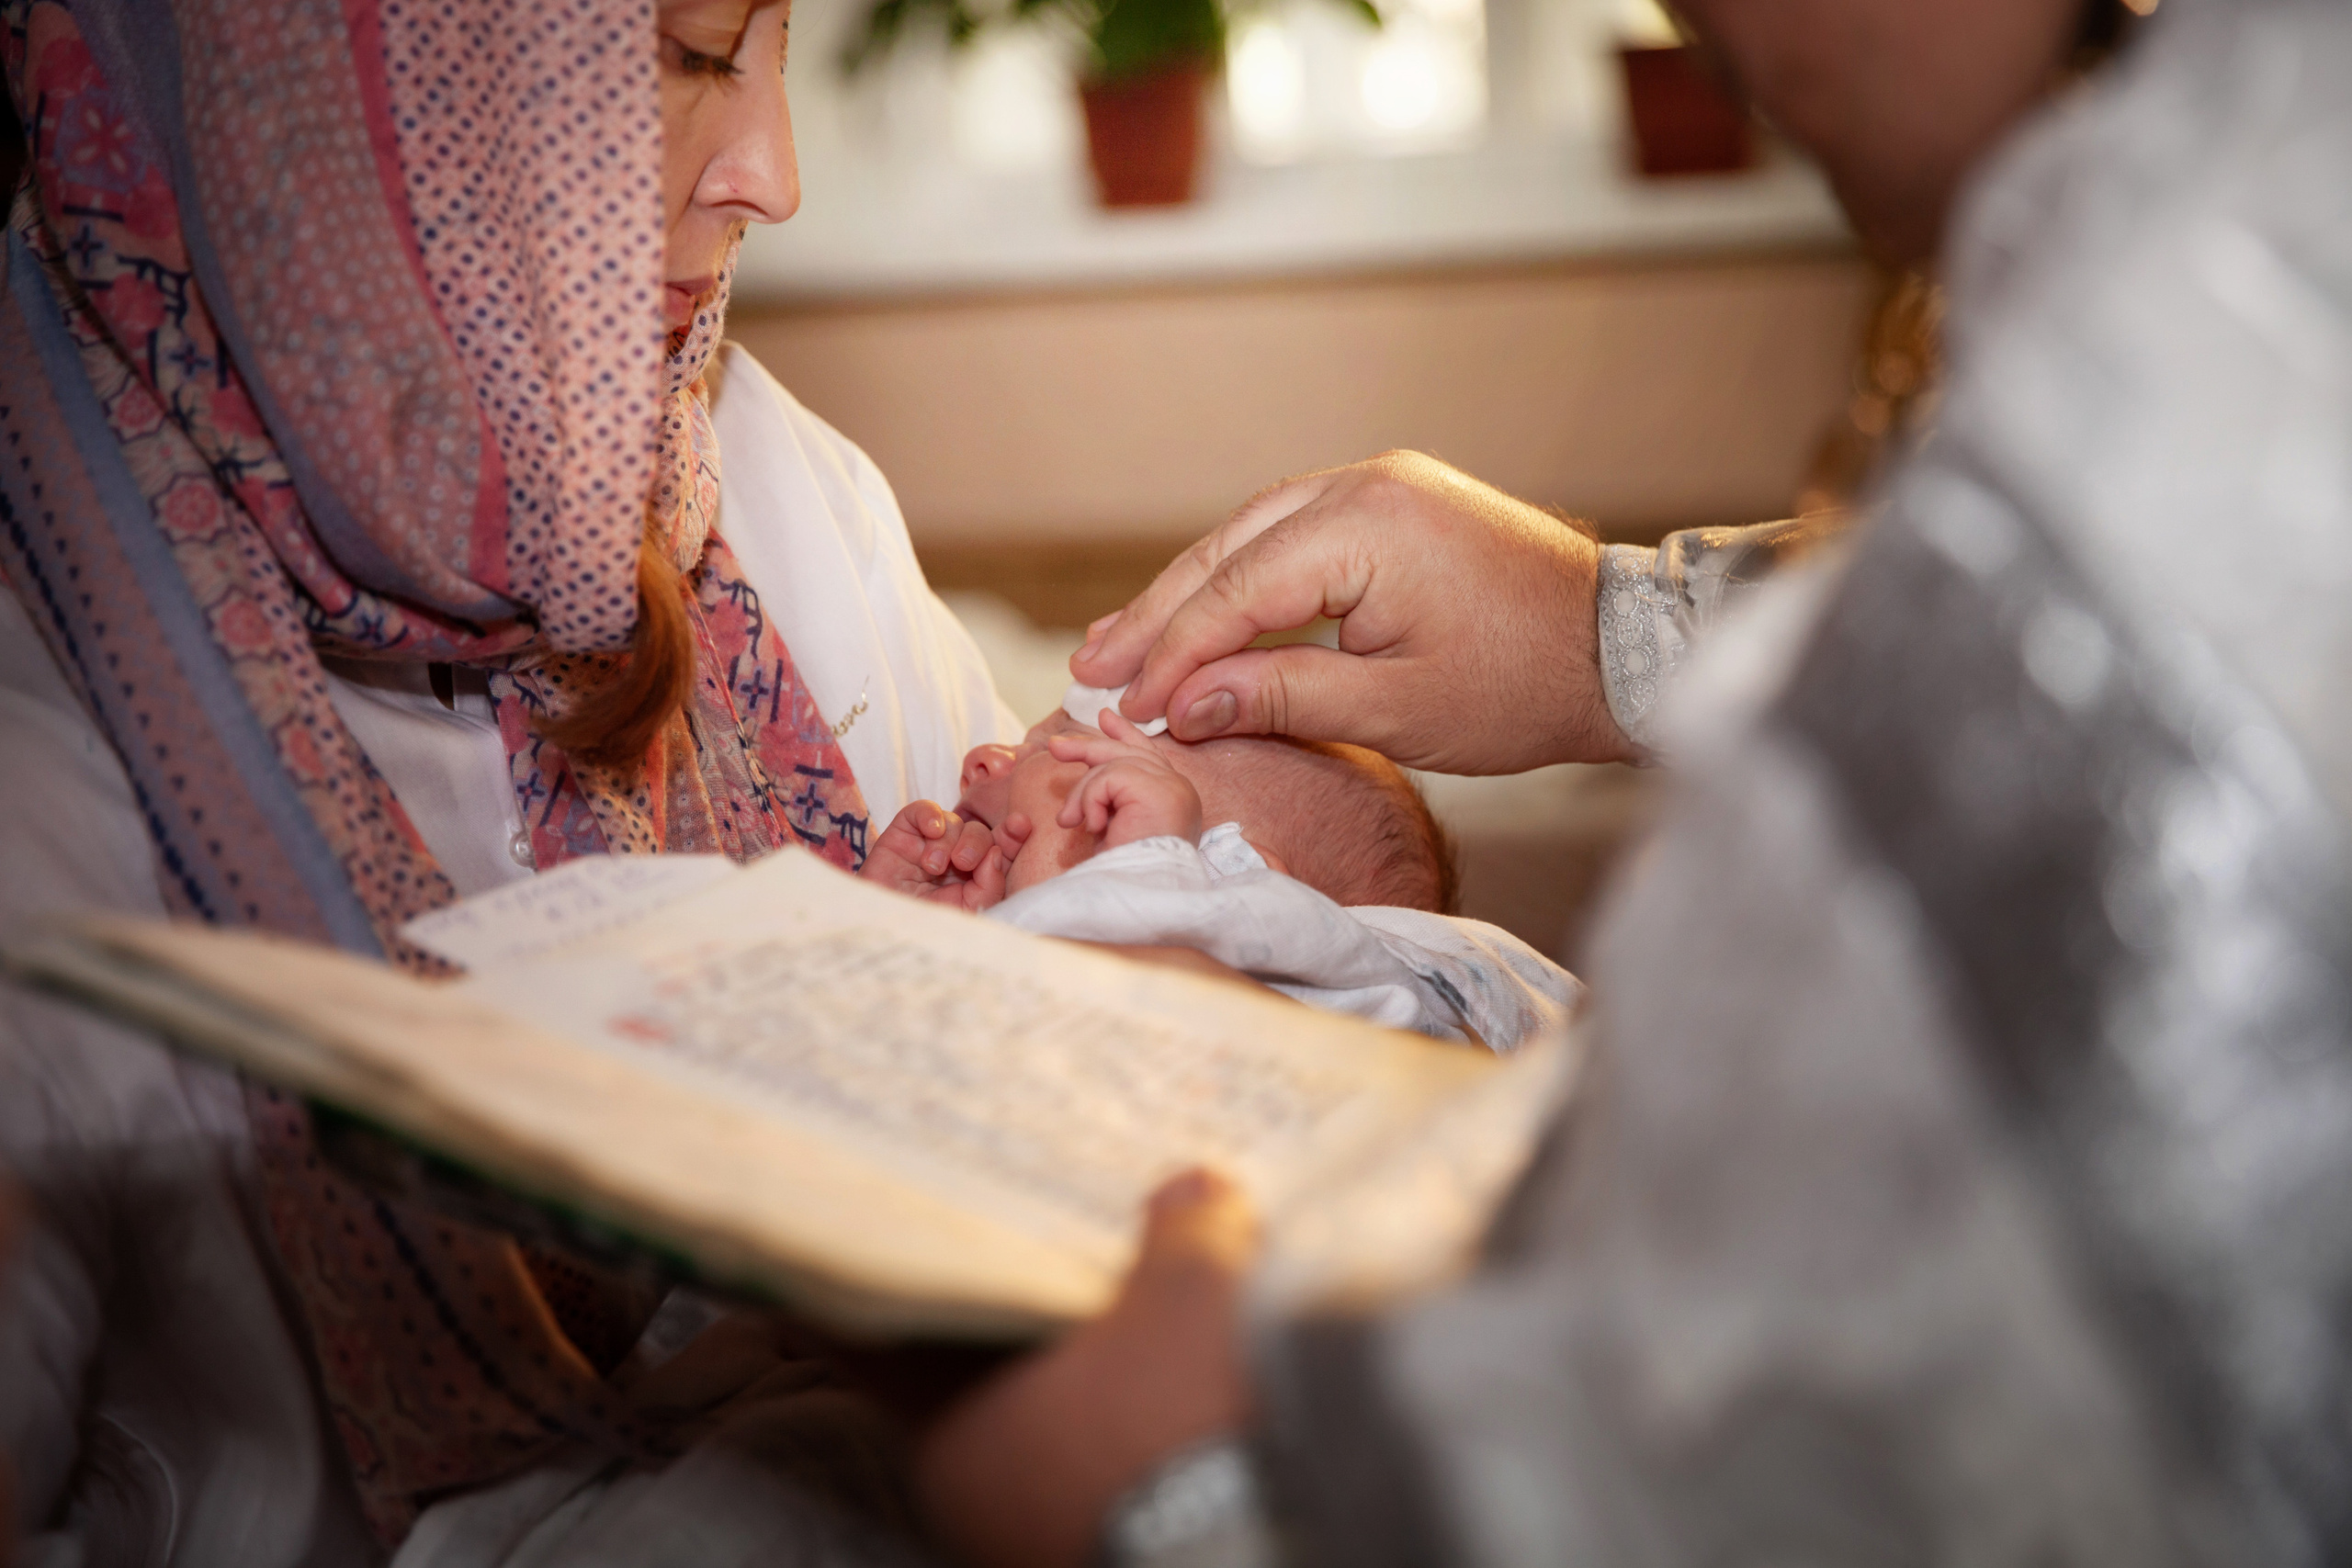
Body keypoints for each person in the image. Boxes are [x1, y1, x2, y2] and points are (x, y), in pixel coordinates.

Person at [912, 1, 2352, 1565]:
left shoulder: (2212, 362)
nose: (1690, 25)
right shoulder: (2222, 223)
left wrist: (1170, 1496)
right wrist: (1604, 629)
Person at [0, 0, 1010, 1560]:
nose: (774, 175)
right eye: (681, 56)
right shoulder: (38, 719)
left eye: (774, 52)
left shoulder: (778, 478)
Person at [864, 703, 1582, 1046]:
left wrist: (1142, 868)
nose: (981, 758)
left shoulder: (1340, 1000)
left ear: (1232, 871)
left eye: (1061, 746)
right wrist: (889, 939)